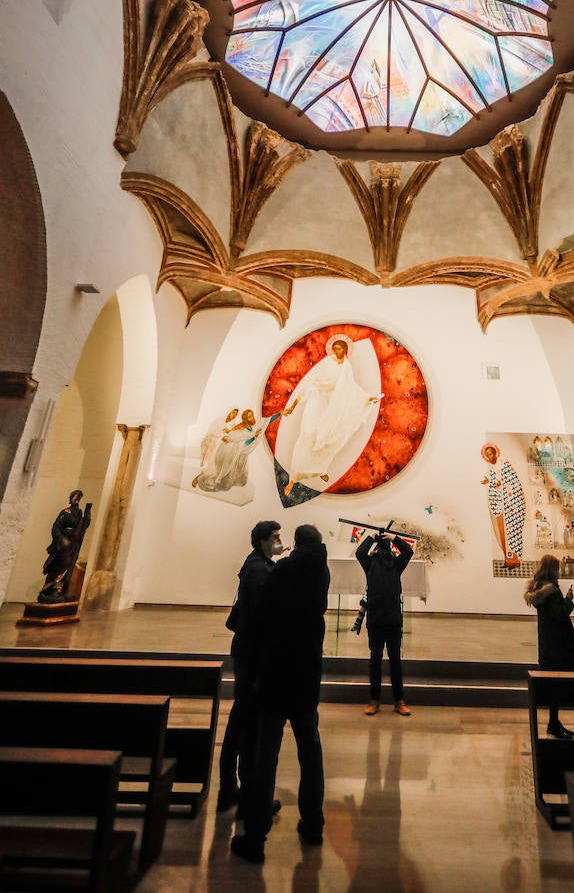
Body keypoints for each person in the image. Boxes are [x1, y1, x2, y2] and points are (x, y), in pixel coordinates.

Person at [231, 524, 330, 864]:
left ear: (297, 543)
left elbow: (265, 607)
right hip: (308, 672)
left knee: (266, 754)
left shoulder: (286, 568)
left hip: (278, 671)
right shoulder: (323, 570)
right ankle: (313, 823)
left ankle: (255, 837)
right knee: (310, 749)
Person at [218, 519, 283, 813]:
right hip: (254, 656)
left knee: (240, 721)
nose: (279, 542)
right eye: (276, 537)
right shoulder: (259, 569)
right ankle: (247, 793)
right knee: (248, 724)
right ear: (263, 541)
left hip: (248, 651)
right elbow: (263, 614)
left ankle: (232, 788)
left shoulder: (255, 565)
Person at [282, 335, 381, 496]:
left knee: (330, 441)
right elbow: (310, 383)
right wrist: (293, 406)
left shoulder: (346, 368)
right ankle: (293, 478)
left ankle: (318, 469)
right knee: (307, 436)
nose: (338, 351)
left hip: (333, 407)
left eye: (341, 348)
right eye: (336, 348)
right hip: (317, 401)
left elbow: (351, 389)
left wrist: (367, 398)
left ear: (346, 350)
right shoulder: (326, 363)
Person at [355, 530, 414, 716]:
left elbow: (408, 552)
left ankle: (399, 701)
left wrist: (393, 538)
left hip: (393, 619)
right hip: (376, 619)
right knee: (375, 661)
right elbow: (360, 552)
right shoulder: (370, 563)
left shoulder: (397, 565)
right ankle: (375, 700)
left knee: (395, 661)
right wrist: (372, 537)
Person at [525, 553, 574, 738]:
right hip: (558, 643)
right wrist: (569, 600)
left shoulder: (540, 589)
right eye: (557, 568)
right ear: (551, 569)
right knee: (557, 683)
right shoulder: (550, 591)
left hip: (549, 641)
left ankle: (554, 721)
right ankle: (553, 722)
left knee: (555, 684)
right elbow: (559, 614)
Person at [38, 490, 91, 602]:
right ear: (71, 498)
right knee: (58, 565)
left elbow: (82, 526)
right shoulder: (65, 512)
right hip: (64, 544)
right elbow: (56, 527)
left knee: (69, 567)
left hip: (73, 543)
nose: (77, 500)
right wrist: (61, 539)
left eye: (79, 498)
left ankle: (62, 590)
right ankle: (49, 590)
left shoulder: (79, 513)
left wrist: (87, 516)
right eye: (75, 497)